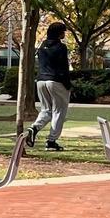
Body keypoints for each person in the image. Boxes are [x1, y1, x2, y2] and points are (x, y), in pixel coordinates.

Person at [27, 22, 72, 150]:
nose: (64, 34)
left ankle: (34, 128)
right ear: (59, 33)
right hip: (56, 81)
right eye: (63, 31)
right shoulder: (61, 47)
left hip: (41, 81)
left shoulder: (41, 47)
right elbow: (64, 68)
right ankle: (51, 141)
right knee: (59, 111)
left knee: (46, 110)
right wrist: (68, 85)